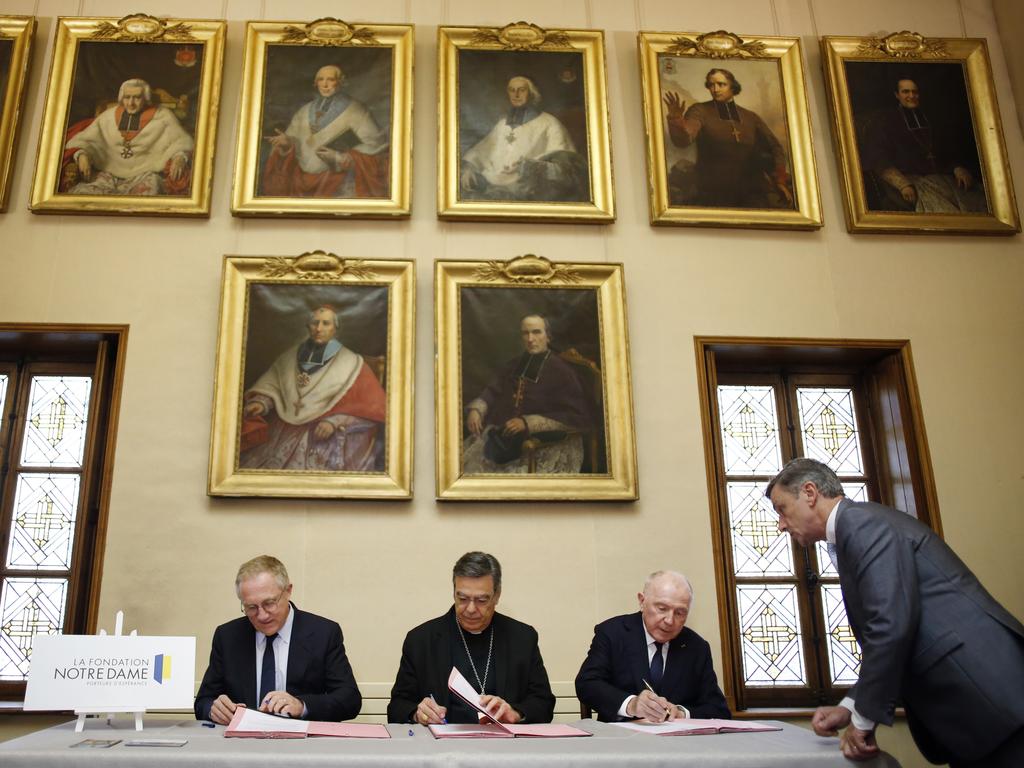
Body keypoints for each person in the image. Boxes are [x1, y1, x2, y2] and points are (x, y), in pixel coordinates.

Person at [767, 458, 1024, 766]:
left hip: (989, 698)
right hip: (982, 709)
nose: (781, 524)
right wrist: (851, 704)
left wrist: (862, 720)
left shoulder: (861, 524)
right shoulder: (857, 527)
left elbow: (890, 626)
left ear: (809, 493)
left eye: (781, 509)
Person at [387, 551, 555, 725]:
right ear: (454, 593)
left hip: (505, 747)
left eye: (482, 600)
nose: (471, 609)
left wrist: (515, 713)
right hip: (441, 747)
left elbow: (544, 703)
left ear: (497, 596)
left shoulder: (522, 638)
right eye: (463, 599)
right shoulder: (421, 640)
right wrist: (418, 713)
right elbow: (397, 707)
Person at [194, 555, 361, 723]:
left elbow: (349, 700)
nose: (262, 615)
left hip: (304, 743)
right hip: (242, 743)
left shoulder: (323, 633)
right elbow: (203, 702)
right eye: (251, 607)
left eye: (269, 603)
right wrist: (213, 709)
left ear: (288, 591)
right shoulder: (228, 637)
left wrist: (302, 706)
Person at [239, 305, 386, 472]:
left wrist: (334, 422)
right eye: (314, 323)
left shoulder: (352, 363)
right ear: (308, 326)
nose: (319, 328)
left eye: (326, 323)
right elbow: (274, 383)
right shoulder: (290, 355)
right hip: (283, 428)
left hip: (319, 433)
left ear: (335, 329)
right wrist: (263, 401)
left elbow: (372, 408)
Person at [575, 570, 730, 722]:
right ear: (642, 601)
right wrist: (631, 704)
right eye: (662, 609)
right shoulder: (613, 633)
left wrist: (682, 713)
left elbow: (718, 709)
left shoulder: (696, 647)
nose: (669, 620)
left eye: (680, 613)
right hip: (621, 741)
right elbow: (587, 684)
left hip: (677, 743)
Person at [462, 313, 592, 474]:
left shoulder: (562, 372)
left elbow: (576, 415)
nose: (530, 339)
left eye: (537, 332)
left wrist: (527, 422)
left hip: (545, 442)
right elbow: (494, 389)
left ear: (548, 337)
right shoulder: (515, 364)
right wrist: (476, 410)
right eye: (525, 333)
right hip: (506, 438)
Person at [663, 68, 793, 208]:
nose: (715, 89)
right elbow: (684, 140)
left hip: (751, 190)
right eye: (711, 85)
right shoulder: (699, 111)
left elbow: (774, 148)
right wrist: (676, 119)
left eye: (721, 84)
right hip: (713, 190)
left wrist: (780, 180)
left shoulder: (750, 117)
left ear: (733, 86)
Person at [857, 77, 986, 213]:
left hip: (944, 178)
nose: (911, 96)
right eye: (906, 92)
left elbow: (946, 150)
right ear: (897, 95)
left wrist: (957, 168)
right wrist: (902, 184)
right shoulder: (884, 122)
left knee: (976, 203)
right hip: (914, 181)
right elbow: (878, 158)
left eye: (915, 92)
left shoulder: (930, 117)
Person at [261, 64, 389, 198]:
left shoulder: (357, 110)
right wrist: (287, 145)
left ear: (340, 82)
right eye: (321, 80)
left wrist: (339, 158)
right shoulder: (304, 111)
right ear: (316, 83)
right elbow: (295, 146)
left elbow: (376, 149)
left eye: (331, 79)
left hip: (339, 184)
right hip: (301, 183)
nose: (325, 84)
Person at [460, 75, 588, 202]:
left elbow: (566, 170)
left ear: (532, 93)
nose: (516, 95)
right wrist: (470, 167)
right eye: (512, 90)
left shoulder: (550, 123)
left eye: (521, 90)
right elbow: (482, 151)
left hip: (528, 189)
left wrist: (530, 167)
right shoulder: (503, 124)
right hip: (493, 182)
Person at [62, 78, 193, 196]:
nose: (131, 103)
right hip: (107, 173)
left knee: (149, 194)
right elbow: (85, 139)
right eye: (127, 97)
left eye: (137, 97)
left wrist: (179, 157)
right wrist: (82, 155)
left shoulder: (163, 116)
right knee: (84, 194)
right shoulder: (108, 116)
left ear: (146, 99)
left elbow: (181, 140)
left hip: (144, 173)